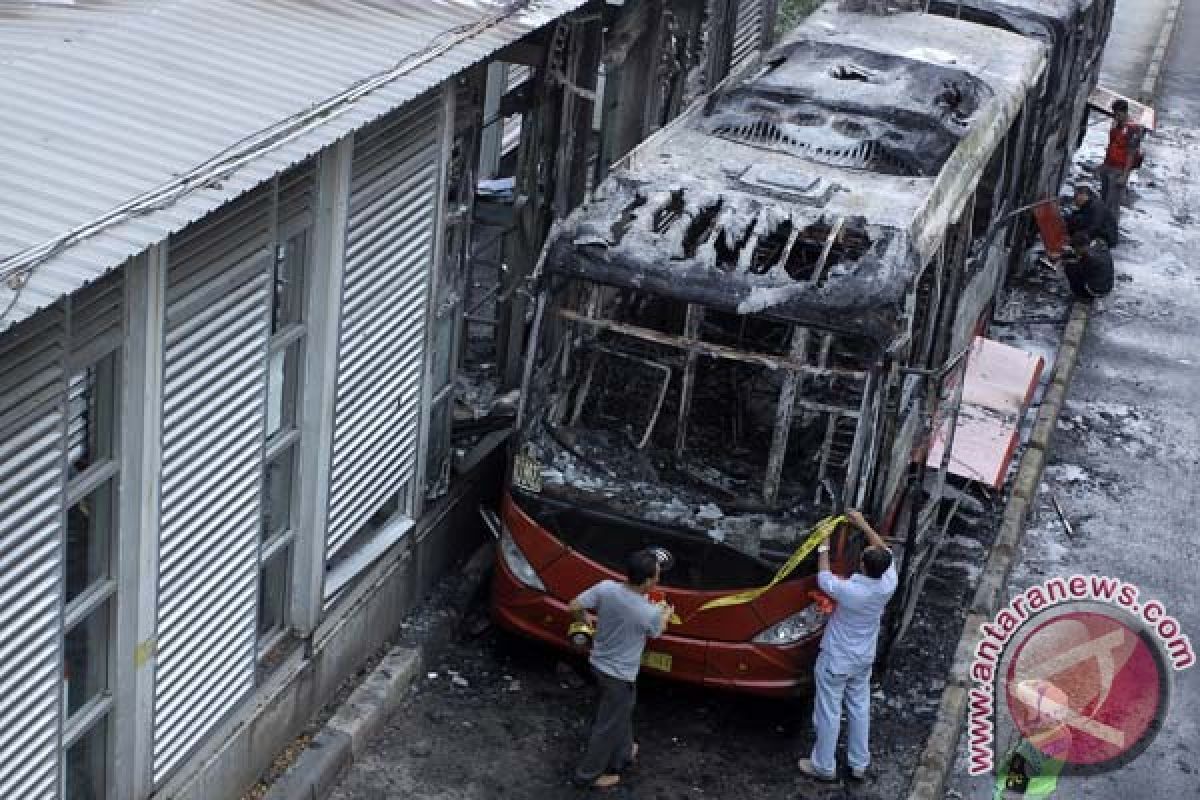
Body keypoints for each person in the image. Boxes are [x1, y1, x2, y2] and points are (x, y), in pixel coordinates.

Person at [798, 510, 898, 784]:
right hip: (863, 657)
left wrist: (823, 542)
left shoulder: (851, 591)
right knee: (859, 707)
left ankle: (823, 765)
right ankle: (858, 763)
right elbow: (882, 548)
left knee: (829, 711)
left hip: (837, 658)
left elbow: (823, 576)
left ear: (863, 567)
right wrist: (863, 522)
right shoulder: (888, 583)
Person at [569, 550, 673, 789]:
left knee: (622, 711)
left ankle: (624, 753)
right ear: (647, 581)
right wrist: (666, 613)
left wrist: (585, 621)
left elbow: (574, 605)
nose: (658, 581)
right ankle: (587, 776)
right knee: (606, 727)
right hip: (620, 675)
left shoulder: (606, 588)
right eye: (657, 577)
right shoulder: (649, 613)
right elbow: (658, 631)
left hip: (598, 663)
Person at [1098, 98, 1145, 215]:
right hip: (1108, 165)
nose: (1115, 117)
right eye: (1114, 114)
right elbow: (1111, 145)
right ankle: (1100, 227)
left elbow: (1131, 154)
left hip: (1119, 170)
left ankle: (1111, 228)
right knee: (1103, 200)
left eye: (1118, 114)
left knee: (1112, 204)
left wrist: (1124, 176)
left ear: (1124, 112)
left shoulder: (1132, 129)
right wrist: (1103, 165)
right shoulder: (1116, 126)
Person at [1061, 232, 1114, 301]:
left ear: (1080, 247)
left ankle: (1082, 296)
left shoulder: (1088, 259)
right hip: (1108, 286)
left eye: (1076, 248)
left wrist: (1065, 259)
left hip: (1097, 291)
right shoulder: (1100, 244)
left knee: (1070, 269)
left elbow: (1079, 269)